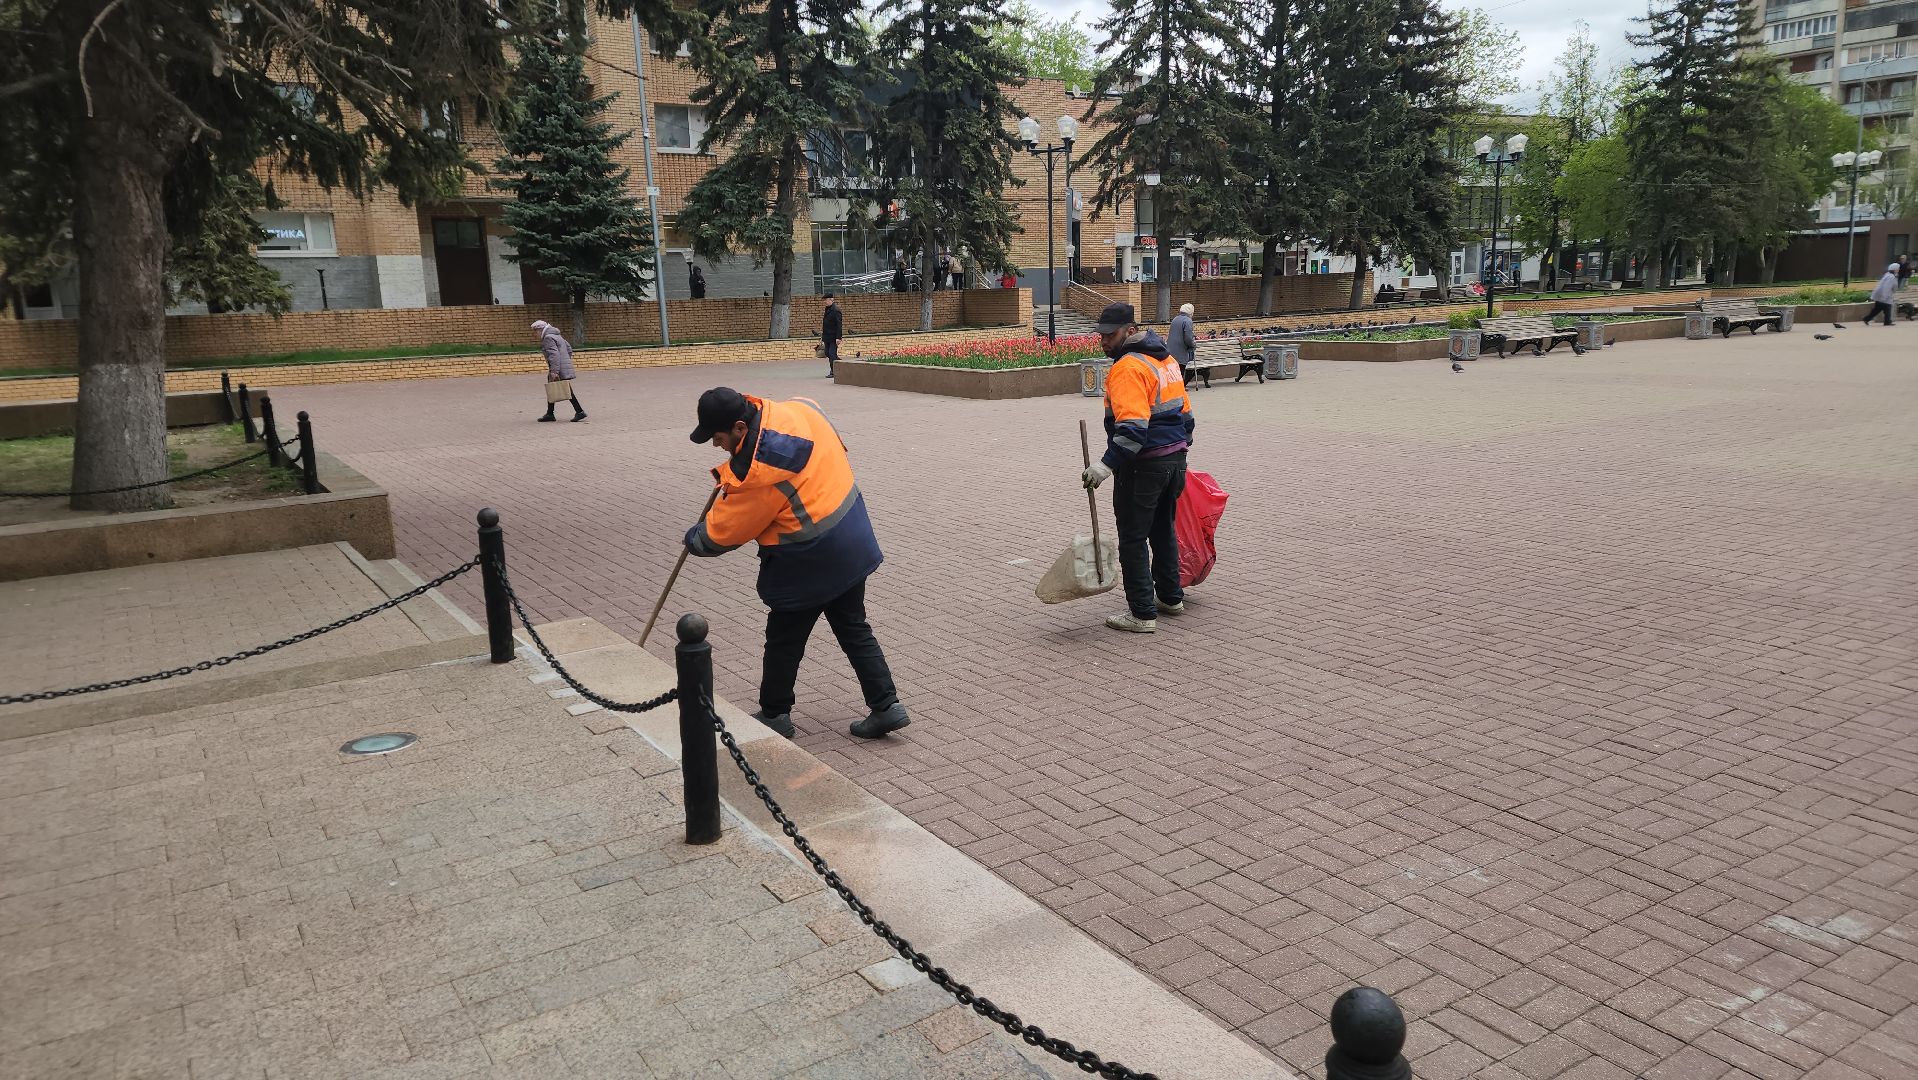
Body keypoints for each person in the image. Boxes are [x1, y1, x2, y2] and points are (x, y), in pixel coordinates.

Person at [685, 387, 909, 740]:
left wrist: (695, 538)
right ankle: (886, 705)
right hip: (850, 538)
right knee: (853, 627)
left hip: (808, 561)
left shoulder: (761, 471)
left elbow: (722, 535)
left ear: (740, 428)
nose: (716, 445)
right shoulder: (800, 409)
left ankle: (775, 714)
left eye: (718, 438)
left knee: (784, 640)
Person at [1079, 302, 1194, 634]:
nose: (1104, 341)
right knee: (1163, 531)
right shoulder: (1166, 360)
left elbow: (1132, 430)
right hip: (1174, 462)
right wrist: (1178, 451)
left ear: (1130, 331)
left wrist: (1104, 466)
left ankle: (1142, 613)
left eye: (1110, 335)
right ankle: (1170, 597)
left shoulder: (1128, 367)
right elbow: (1187, 417)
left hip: (1143, 466)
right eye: (1100, 335)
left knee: (1133, 538)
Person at [531, 320, 585, 423]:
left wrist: (554, 371)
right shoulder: (557, 335)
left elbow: (554, 355)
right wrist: (565, 361)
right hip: (561, 366)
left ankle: (579, 411)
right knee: (553, 388)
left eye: (535, 331)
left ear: (540, 330)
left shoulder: (548, 338)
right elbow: (569, 349)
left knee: (565, 389)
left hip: (557, 368)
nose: (535, 334)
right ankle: (550, 413)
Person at [1168, 302, 1197, 383]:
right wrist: (1193, 345)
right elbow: (1188, 338)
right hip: (1180, 351)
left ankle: (1175, 386)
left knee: (1173, 372)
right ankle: (1180, 387)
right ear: (1190, 312)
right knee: (1180, 371)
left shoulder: (1175, 319)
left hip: (1171, 351)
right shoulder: (1187, 321)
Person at [820, 293, 844, 376]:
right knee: (827, 353)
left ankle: (834, 372)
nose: (825, 302)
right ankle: (840, 363)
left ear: (831, 300)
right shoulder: (827, 309)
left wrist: (838, 337)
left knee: (831, 354)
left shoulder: (836, 310)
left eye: (826, 300)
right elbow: (825, 325)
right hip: (827, 337)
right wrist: (822, 338)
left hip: (834, 337)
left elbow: (839, 325)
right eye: (824, 300)